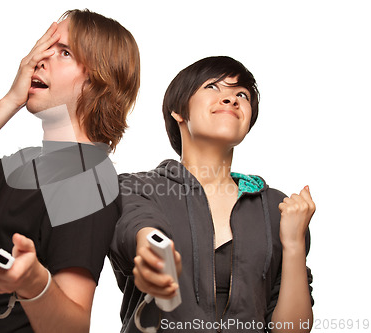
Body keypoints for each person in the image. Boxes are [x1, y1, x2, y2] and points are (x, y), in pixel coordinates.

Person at [0, 9, 140, 333]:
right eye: (44, 47)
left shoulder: (85, 179)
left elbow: (72, 328)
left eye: (64, 52)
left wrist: (34, 285)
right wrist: (9, 101)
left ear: (96, 80)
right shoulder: (31, 162)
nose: (39, 59)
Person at [110, 56, 315, 333]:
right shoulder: (137, 188)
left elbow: (292, 329)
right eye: (213, 88)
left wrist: (293, 246)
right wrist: (153, 251)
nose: (231, 99)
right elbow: (137, 229)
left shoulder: (277, 208)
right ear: (178, 111)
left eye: (241, 94)